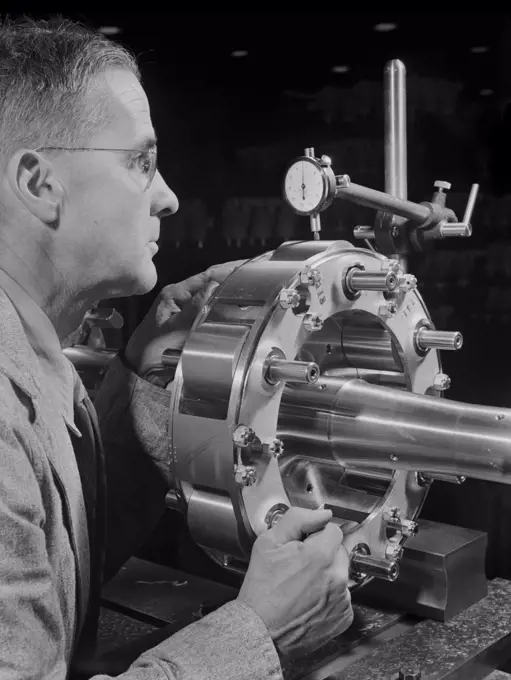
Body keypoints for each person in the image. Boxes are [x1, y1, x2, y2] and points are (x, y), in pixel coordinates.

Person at [0, 14, 354, 680]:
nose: (167, 196)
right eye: (141, 161)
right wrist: (262, 634)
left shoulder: (26, 352)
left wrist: (144, 368)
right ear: (38, 182)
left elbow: (43, 579)